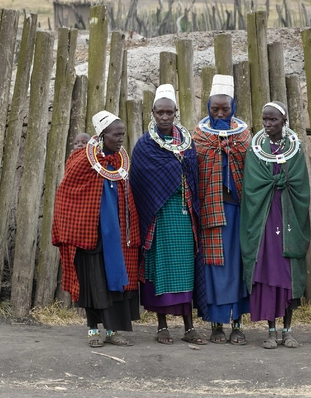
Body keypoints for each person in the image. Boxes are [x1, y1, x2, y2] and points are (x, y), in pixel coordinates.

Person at [52, 110, 141, 348]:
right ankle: (92, 330)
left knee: (114, 283)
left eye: (122, 134)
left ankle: (112, 331)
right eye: (116, 135)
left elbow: (125, 193)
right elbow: (67, 194)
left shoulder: (120, 160)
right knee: (93, 283)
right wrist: (80, 226)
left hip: (116, 233)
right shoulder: (83, 161)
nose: (121, 139)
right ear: (102, 135)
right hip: (90, 234)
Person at [129, 84, 206, 345]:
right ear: (152, 112)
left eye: (169, 113)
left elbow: (194, 175)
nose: (164, 117)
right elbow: (140, 184)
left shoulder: (187, 144)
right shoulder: (144, 146)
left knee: (185, 269)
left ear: (176, 112)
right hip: (159, 215)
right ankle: (162, 326)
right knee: (162, 268)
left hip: (185, 215)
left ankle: (189, 327)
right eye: (159, 112)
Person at [240, 101, 311, 349]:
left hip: (288, 216)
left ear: (284, 122)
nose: (268, 124)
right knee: (268, 272)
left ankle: (288, 330)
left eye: (273, 120)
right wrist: (272, 183)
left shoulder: (296, 149)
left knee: (288, 272)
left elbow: (302, 183)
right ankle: (270, 331)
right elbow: (251, 185)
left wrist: (286, 181)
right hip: (265, 220)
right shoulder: (256, 149)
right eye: (265, 120)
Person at [193, 74, 251, 345]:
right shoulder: (199, 137)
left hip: (239, 211)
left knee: (238, 267)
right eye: (214, 109)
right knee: (214, 268)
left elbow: (250, 172)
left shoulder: (244, 136)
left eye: (224, 109)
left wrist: (228, 149)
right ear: (207, 107)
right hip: (211, 213)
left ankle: (237, 324)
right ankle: (216, 325)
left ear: (233, 108)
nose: (219, 114)